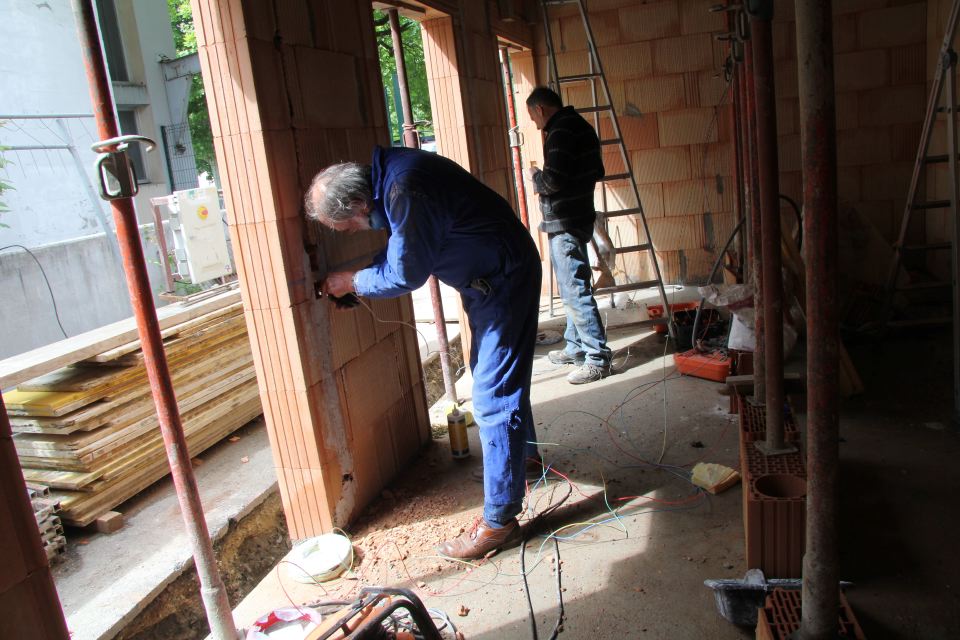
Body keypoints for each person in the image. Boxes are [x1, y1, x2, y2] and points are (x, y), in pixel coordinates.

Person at [305, 145, 542, 560]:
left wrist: (353, 282)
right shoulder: (393, 178)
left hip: (503, 278)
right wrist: (357, 279)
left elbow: (406, 272)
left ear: (359, 204)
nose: (353, 232)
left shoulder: (404, 188)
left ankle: (500, 521)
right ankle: (523, 459)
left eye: (346, 227)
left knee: (491, 396)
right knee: (491, 376)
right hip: (490, 278)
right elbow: (403, 243)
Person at [526, 86, 612, 385]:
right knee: (575, 284)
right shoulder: (582, 126)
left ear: (540, 109)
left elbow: (553, 180)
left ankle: (597, 359)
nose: (536, 125)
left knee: (575, 290)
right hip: (580, 217)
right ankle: (576, 347)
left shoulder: (560, 131)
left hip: (564, 221)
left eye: (534, 118)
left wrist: (536, 176)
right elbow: (597, 171)